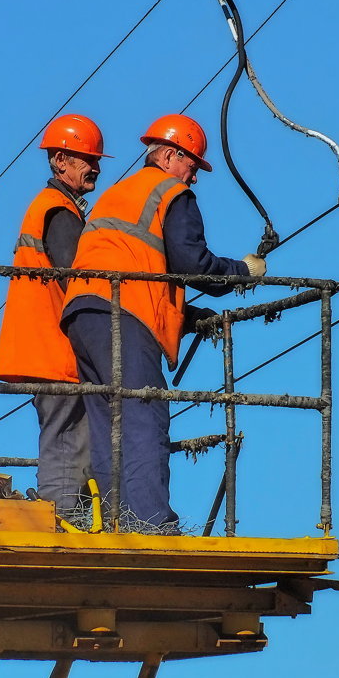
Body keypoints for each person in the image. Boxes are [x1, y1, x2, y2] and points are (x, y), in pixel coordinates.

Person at [61, 114, 266, 531]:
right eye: (192, 165)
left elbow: (139, 262)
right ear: (171, 155)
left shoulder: (120, 193)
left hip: (83, 313)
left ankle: (115, 521)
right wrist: (243, 272)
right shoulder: (171, 192)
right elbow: (195, 266)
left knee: (106, 420)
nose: (194, 177)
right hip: (123, 311)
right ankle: (152, 523)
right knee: (143, 415)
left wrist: (186, 316)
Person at [0, 113, 110, 516]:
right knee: (65, 447)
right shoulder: (57, 211)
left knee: (75, 446)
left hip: (51, 349)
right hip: (54, 351)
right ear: (60, 160)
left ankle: (70, 523)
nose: (94, 167)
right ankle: (60, 528)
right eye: (86, 159)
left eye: (96, 159)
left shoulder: (55, 209)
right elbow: (79, 279)